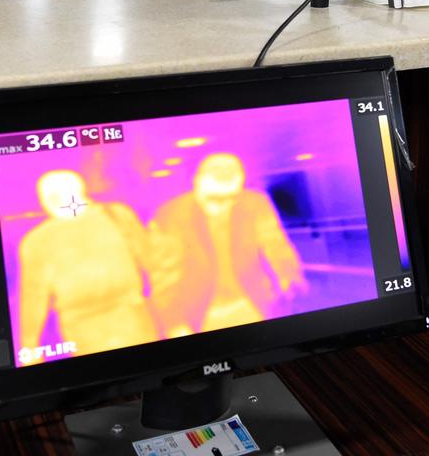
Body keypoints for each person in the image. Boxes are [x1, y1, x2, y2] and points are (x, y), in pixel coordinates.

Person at [147, 152, 306, 337]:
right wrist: (173, 323)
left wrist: (288, 275)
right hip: (201, 314)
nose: (222, 206)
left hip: (250, 304)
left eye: (230, 198)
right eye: (214, 199)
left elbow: (275, 243)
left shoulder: (255, 203)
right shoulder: (171, 215)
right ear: (197, 184)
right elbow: (162, 276)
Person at [17, 170, 158, 360]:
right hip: (83, 329)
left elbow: (152, 262)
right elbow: (33, 296)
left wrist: (173, 316)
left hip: (132, 317)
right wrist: (30, 346)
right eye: (51, 196)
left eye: (61, 194)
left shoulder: (117, 216)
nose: (56, 200)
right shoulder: (37, 241)